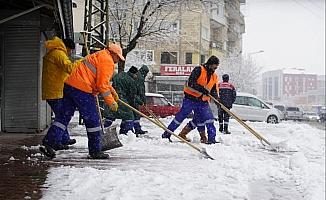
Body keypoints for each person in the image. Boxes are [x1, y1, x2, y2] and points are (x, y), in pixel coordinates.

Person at [42, 42, 124, 159]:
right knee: (93, 120)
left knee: (63, 116)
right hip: (82, 89)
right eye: (118, 58)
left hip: (69, 86)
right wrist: (111, 101)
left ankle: (49, 142)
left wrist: (113, 92)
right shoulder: (108, 61)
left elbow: (100, 80)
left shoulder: (99, 55)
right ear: (114, 54)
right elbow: (102, 85)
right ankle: (95, 151)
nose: (118, 61)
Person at [162, 56, 220, 144]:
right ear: (210, 64)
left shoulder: (214, 76)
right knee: (180, 117)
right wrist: (202, 89)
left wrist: (216, 98)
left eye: (216, 67)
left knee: (209, 119)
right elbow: (191, 83)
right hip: (190, 99)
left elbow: (214, 90)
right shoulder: (199, 70)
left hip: (203, 101)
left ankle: (211, 139)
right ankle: (167, 134)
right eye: (215, 66)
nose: (215, 69)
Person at [41, 37, 82, 151]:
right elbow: (70, 68)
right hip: (55, 91)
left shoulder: (55, 52)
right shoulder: (59, 53)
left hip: (54, 90)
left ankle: (63, 138)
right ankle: (55, 141)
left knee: (62, 116)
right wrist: (81, 62)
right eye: (70, 51)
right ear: (67, 47)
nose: (69, 53)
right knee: (62, 117)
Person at [103, 66, 143, 135]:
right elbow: (132, 96)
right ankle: (127, 132)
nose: (136, 76)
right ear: (133, 73)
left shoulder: (120, 74)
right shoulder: (131, 81)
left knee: (111, 114)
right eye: (136, 74)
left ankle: (104, 129)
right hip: (121, 99)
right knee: (129, 115)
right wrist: (138, 102)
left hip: (112, 97)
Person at [133, 65, 149, 135]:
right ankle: (136, 129)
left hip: (133, 97)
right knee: (136, 114)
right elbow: (141, 91)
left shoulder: (137, 75)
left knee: (133, 114)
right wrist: (143, 101)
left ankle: (133, 129)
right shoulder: (140, 78)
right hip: (135, 98)